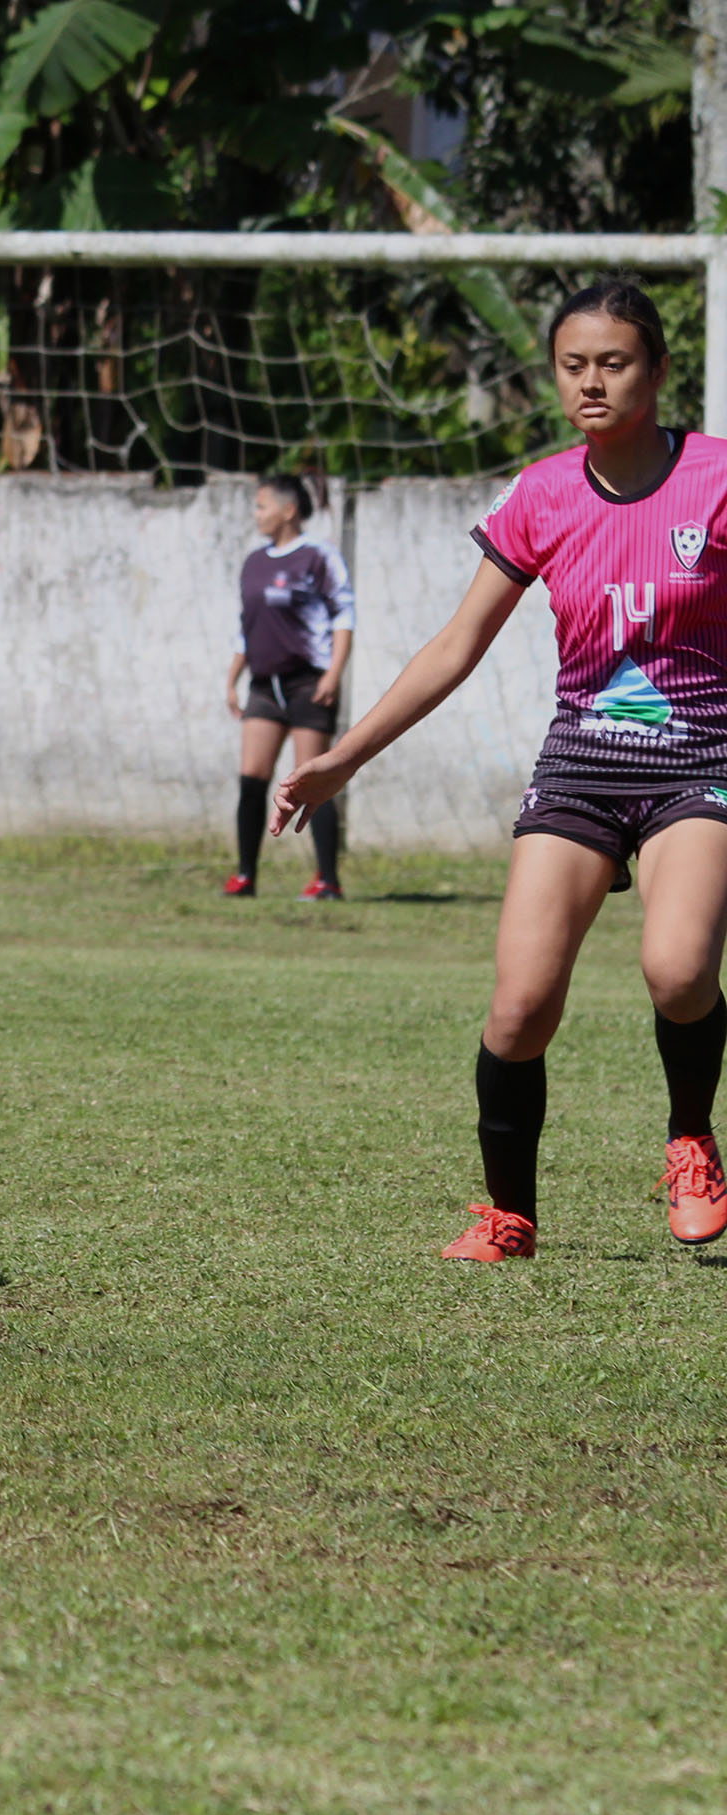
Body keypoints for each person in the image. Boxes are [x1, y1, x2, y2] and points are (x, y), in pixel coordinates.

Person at [275, 280, 727, 1260]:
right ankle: (508, 1217)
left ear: (656, 367)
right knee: (520, 1006)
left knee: (679, 966)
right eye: (574, 365)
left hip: (702, 763)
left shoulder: (717, 479)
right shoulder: (544, 493)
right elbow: (455, 645)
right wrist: (340, 760)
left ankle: (691, 1135)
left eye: (614, 362)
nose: (592, 382)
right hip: (579, 769)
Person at [224, 471, 354, 900]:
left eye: (262, 506)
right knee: (252, 778)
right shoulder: (254, 562)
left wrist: (334, 672)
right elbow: (248, 627)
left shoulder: (319, 556)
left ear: (288, 510)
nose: (256, 514)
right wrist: (233, 676)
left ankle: (327, 880)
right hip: (264, 685)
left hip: (307, 685)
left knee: (312, 779)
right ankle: (244, 877)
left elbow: (343, 617)